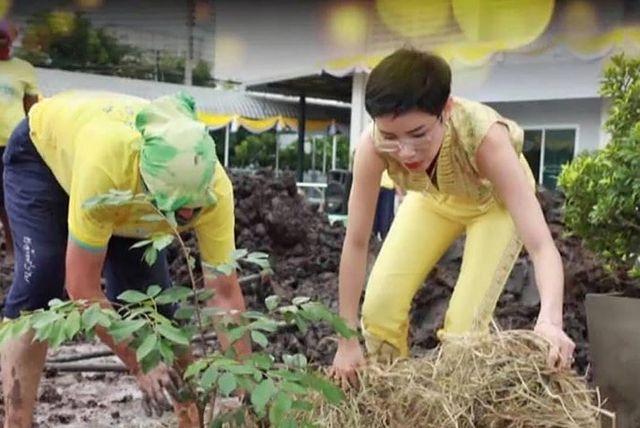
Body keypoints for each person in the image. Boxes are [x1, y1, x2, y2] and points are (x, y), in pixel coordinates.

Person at [329, 48, 575, 388]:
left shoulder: (485, 139)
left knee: (463, 334)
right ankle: (393, 398)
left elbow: (541, 246)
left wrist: (550, 319)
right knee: (379, 312)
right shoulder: (371, 150)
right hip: (434, 198)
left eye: (418, 134)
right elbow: (356, 242)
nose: (405, 152)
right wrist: (346, 338)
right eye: (390, 136)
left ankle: (452, 406)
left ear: (446, 109)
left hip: (494, 205)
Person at [0, 90, 247, 428]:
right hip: (42, 155)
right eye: (174, 206)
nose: (186, 215)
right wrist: (139, 362)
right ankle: (17, 421)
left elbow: (224, 293)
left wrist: (250, 389)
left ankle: (191, 420)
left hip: (123, 188)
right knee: (41, 279)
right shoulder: (107, 168)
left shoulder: (216, 189)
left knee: (154, 305)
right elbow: (82, 286)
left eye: (195, 206)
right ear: (147, 180)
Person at [0, 19, 39, 263]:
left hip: (11, 144)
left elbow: (32, 110)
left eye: (5, 39)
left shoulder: (24, 69)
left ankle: (14, 249)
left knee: (10, 197)